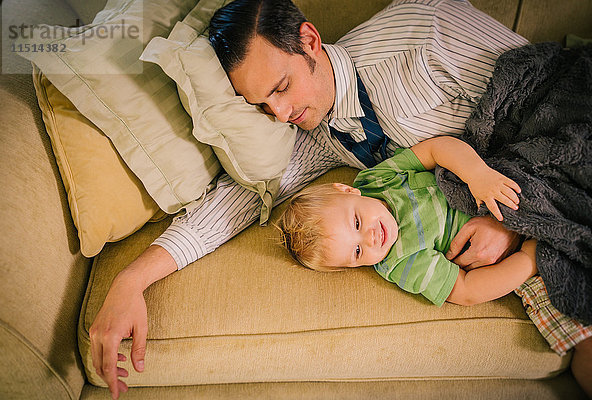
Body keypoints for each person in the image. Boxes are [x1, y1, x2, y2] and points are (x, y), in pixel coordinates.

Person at [90, 1, 591, 398]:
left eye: (282, 87)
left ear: (309, 40)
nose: (281, 112)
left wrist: (511, 218)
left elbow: (532, 88)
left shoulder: (418, 35)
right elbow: (234, 204)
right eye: (261, 104)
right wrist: (132, 279)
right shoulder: (317, 134)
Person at [276, 135, 538, 308]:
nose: (370, 238)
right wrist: (529, 259)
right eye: (357, 252)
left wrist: (478, 175)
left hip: (496, 179)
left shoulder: (377, 180)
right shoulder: (401, 262)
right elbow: (467, 291)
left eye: (356, 223)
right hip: (521, 233)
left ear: (348, 190)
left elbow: (436, 150)